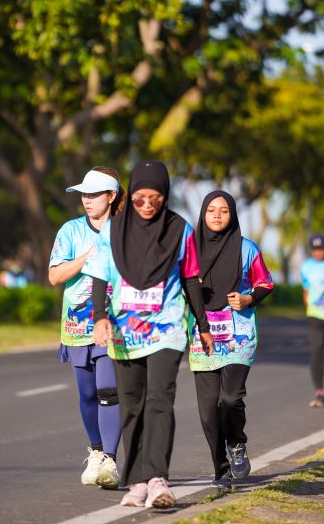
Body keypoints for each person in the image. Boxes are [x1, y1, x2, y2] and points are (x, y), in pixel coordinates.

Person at [82, 160, 214, 508]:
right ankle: (138, 481)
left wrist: (202, 326)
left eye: (155, 198)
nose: (147, 205)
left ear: (165, 196)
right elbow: (99, 275)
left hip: (167, 329)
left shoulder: (180, 230)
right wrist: (99, 318)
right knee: (132, 405)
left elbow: (190, 280)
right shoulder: (113, 231)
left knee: (159, 399)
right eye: (140, 198)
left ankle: (157, 479)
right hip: (124, 332)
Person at [188, 190, 273, 490]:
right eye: (211, 210)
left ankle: (236, 442)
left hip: (239, 334)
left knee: (230, 398)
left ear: (232, 215)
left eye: (224, 210)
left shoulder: (247, 249)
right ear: (203, 214)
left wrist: (248, 298)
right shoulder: (190, 251)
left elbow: (265, 282)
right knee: (208, 412)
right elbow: (175, 285)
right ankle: (220, 469)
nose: (217, 215)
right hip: (201, 335)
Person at [49, 167, 125, 489]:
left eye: (94, 194)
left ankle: (110, 460)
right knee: (88, 393)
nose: (87, 199)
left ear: (111, 196)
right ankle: (95, 451)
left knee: (109, 391)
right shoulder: (71, 230)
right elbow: (55, 276)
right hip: (76, 326)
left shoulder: (125, 230)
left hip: (114, 325)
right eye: (84, 194)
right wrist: (89, 257)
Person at [300, 233, 324, 408]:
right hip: (315, 317)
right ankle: (319, 393)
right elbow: (306, 290)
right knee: (316, 352)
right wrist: (308, 309)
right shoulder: (306, 267)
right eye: (315, 249)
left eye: (321, 249)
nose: (318, 252)